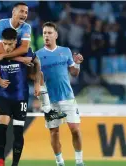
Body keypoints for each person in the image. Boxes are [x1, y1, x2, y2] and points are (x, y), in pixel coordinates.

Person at [0, 2, 62, 130]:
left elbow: (24, 48)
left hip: (8, 56)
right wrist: (20, 58)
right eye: (21, 11)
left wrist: (18, 58)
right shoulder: (0, 24)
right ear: (13, 13)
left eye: (26, 12)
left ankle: (48, 111)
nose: (24, 14)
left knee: (39, 75)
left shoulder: (26, 27)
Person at [35, 22, 85, 166]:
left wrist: (77, 63)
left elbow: (74, 73)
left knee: (75, 130)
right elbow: (36, 76)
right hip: (50, 100)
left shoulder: (65, 51)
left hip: (68, 98)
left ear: (56, 35)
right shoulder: (38, 55)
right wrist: (38, 89)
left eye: (49, 33)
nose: (46, 36)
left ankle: (79, 162)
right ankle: (60, 162)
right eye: (44, 33)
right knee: (54, 132)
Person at [0, 28, 40, 166]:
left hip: (20, 97)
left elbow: (36, 62)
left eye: (10, 44)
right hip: (4, 95)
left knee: (18, 132)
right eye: (5, 43)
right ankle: (1, 159)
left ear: (16, 42)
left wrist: (37, 84)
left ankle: (15, 164)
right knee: (2, 127)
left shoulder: (25, 50)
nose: (6, 47)